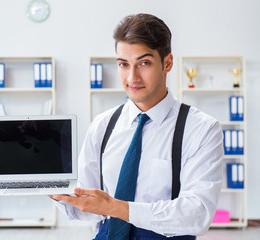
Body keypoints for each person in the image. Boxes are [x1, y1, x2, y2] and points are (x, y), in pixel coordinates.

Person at [51, 13, 223, 240]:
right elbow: (86, 209)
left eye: (144, 63)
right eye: (123, 64)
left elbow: (197, 214)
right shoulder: (103, 125)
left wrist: (115, 207)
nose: (132, 77)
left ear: (167, 63)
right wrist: (54, 190)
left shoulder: (201, 129)